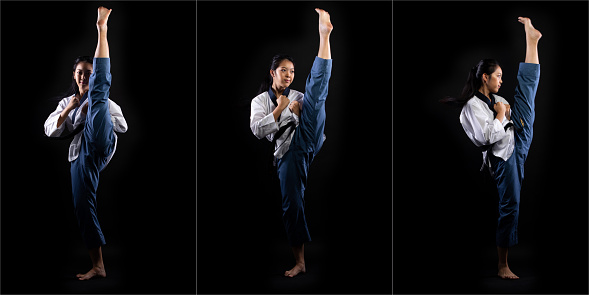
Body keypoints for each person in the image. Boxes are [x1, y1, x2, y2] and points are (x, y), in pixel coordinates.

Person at [441, 17, 542, 279]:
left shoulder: (496, 98)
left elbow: (505, 113)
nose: (500, 80)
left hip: (517, 139)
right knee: (512, 204)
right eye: (497, 76)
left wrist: (503, 111)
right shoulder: (470, 107)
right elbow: (484, 138)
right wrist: (499, 115)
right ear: (484, 77)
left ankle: (532, 42)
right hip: (503, 156)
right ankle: (502, 265)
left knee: (527, 92)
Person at [44, 6, 127, 280]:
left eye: (88, 72)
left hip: (100, 141)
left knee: (100, 94)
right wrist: (70, 109)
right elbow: (50, 130)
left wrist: (96, 108)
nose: (83, 77)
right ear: (74, 75)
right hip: (81, 156)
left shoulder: (102, 96)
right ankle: (99, 265)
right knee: (82, 205)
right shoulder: (66, 103)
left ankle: (101, 28)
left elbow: (123, 126)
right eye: (79, 72)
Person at [250, 8, 333, 278]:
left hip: (309, 138)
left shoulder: (298, 93)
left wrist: (296, 110)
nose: (288, 75)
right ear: (272, 72)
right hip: (288, 153)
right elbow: (257, 130)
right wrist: (282, 109)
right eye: (283, 71)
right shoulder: (260, 101)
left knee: (316, 94)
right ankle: (300, 262)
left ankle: (324, 36)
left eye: (292, 71)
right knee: (293, 204)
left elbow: (309, 107)